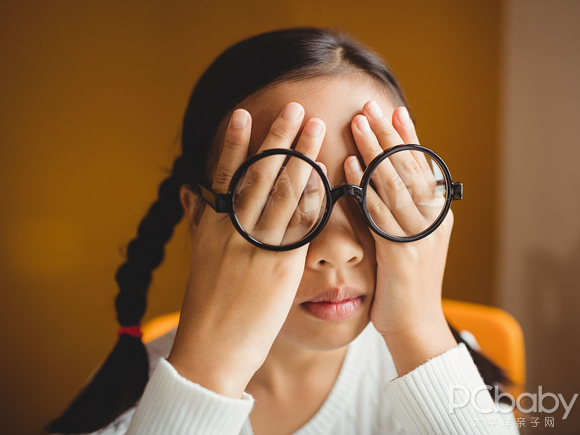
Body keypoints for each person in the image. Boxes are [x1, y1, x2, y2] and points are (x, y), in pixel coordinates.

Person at [46, 26, 519, 435]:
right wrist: (211, 365)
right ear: (197, 214)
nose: (337, 250)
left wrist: (419, 329)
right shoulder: (126, 403)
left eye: (375, 191)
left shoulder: (441, 364)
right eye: (282, 198)